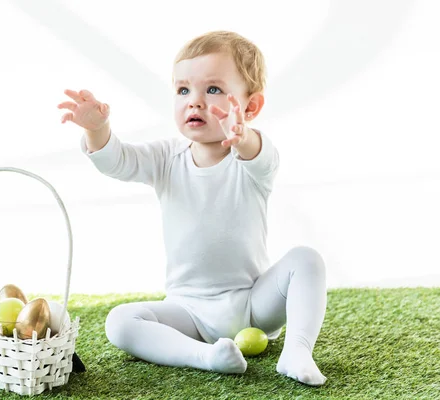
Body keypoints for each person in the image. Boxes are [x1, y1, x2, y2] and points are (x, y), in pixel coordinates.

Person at [57, 31, 327, 386]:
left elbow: (260, 155)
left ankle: (297, 350)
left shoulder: (250, 161)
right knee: (120, 322)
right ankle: (206, 357)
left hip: (253, 304)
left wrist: (242, 135)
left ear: (250, 107)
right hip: (188, 311)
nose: (194, 102)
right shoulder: (167, 157)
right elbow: (118, 162)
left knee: (306, 260)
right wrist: (98, 129)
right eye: (183, 90)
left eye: (213, 90)